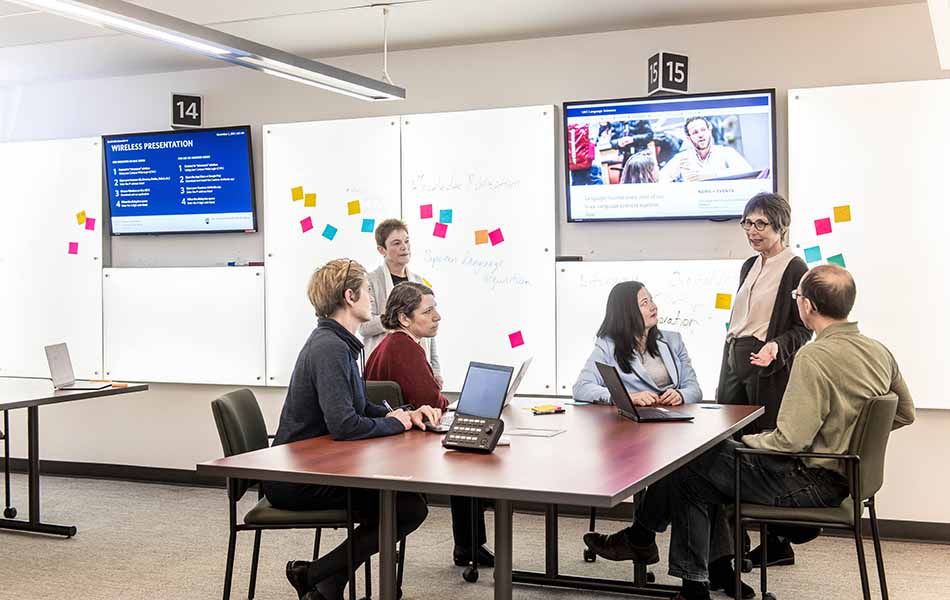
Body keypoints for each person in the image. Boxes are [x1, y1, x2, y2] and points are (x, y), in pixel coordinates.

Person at [583, 265, 915, 600]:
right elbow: (904, 412)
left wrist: (743, 442)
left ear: (808, 306)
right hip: (846, 480)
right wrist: (847, 439)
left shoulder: (814, 356)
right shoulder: (879, 351)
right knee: (698, 473)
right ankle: (706, 574)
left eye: (797, 295)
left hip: (808, 482)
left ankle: (661, 556)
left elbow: (789, 442)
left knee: (691, 463)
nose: (796, 300)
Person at [264, 258, 441, 600]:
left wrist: (403, 414)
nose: (373, 298)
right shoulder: (329, 348)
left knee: (406, 505)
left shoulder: (340, 343)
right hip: (299, 480)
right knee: (407, 509)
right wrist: (393, 423)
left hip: (319, 467)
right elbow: (345, 425)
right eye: (368, 291)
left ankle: (326, 583)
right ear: (349, 296)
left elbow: (360, 408)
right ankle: (313, 574)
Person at [364, 282, 494, 568]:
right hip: (401, 450)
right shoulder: (403, 347)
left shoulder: (391, 343)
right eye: (428, 311)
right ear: (404, 318)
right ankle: (469, 546)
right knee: (468, 454)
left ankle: (469, 546)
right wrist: (442, 397)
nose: (437, 317)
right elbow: (431, 402)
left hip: (393, 444)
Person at [717, 192, 813, 565]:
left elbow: (803, 329)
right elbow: (740, 320)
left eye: (761, 224)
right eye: (747, 223)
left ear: (781, 226)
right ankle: (732, 542)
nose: (752, 231)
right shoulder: (749, 265)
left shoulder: (795, 268)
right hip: (735, 360)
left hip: (766, 366)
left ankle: (777, 543)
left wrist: (776, 346)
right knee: (727, 447)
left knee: (762, 452)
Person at [573, 281, 702, 406]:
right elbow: (581, 387)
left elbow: (694, 389)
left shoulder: (674, 340)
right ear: (627, 312)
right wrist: (626, 397)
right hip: (634, 417)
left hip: (674, 415)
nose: (653, 307)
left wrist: (681, 395)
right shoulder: (607, 346)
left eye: (651, 300)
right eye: (644, 303)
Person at [359, 219, 442, 386]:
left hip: (417, 364)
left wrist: (435, 370)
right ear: (382, 250)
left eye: (406, 241)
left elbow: (429, 331)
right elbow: (364, 327)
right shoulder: (370, 281)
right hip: (387, 368)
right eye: (396, 243)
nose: (404, 247)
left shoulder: (418, 281)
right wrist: (394, 318)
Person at [659, 116, 753, 182]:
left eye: (703, 130)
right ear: (689, 138)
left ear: (709, 131)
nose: (700, 135)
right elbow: (660, 179)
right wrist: (675, 174)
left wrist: (712, 175)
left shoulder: (726, 152)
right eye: (695, 132)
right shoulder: (681, 158)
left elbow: (747, 172)